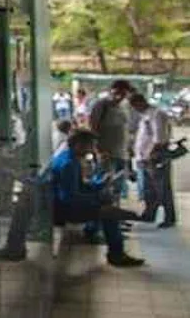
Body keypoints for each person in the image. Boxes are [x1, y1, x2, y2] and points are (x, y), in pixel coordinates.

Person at [52, 130, 144, 267]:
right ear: (79, 144)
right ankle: (116, 254)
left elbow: (79, 187)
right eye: (90, 145)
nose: (93, 149)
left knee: (107, 202)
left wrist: (100, 184)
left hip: (62, 204)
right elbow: (69, 197)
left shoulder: (68, 157)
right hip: (64, 209)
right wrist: (96, 198)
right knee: (110, 213)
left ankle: (99, 232)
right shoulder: (69, 164)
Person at [130, 93, 176, 228]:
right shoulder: (145, 115)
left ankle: (169, 217)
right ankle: (149, 213)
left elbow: (159, 139)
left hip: (155, 157)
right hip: (144, 158)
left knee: (162, 188)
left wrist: (150, 155)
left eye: (135, 106)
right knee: (149, 189)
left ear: (140, 102)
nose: (135, 109)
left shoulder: (156, 114)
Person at [89, 80, 134, 200]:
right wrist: (98, 150)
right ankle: (102, 209)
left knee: (118, 185)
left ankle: (114, 207)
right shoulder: (101, 105)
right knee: (104, 183)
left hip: (122, 153)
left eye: (124, 93)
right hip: (106, 153)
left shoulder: (125, 106)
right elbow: (93, 128)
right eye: (118, 92)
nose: (120, 96)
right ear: (112, 91)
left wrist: (129, 148)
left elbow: (126, 128)